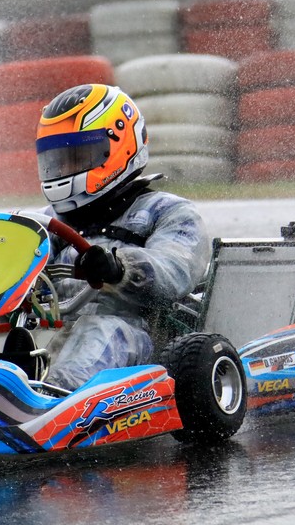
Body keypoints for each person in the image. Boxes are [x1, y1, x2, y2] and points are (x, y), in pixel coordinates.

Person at [33, 83, 210, 390]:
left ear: (119, 146)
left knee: (102, 329)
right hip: (52, 329)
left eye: (76, 157)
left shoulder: (168, 212)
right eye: (57, 160)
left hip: (137, 333)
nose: (64, 169)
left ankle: (55, 399)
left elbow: (175, 270)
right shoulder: (44, 222)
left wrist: (120, 268)